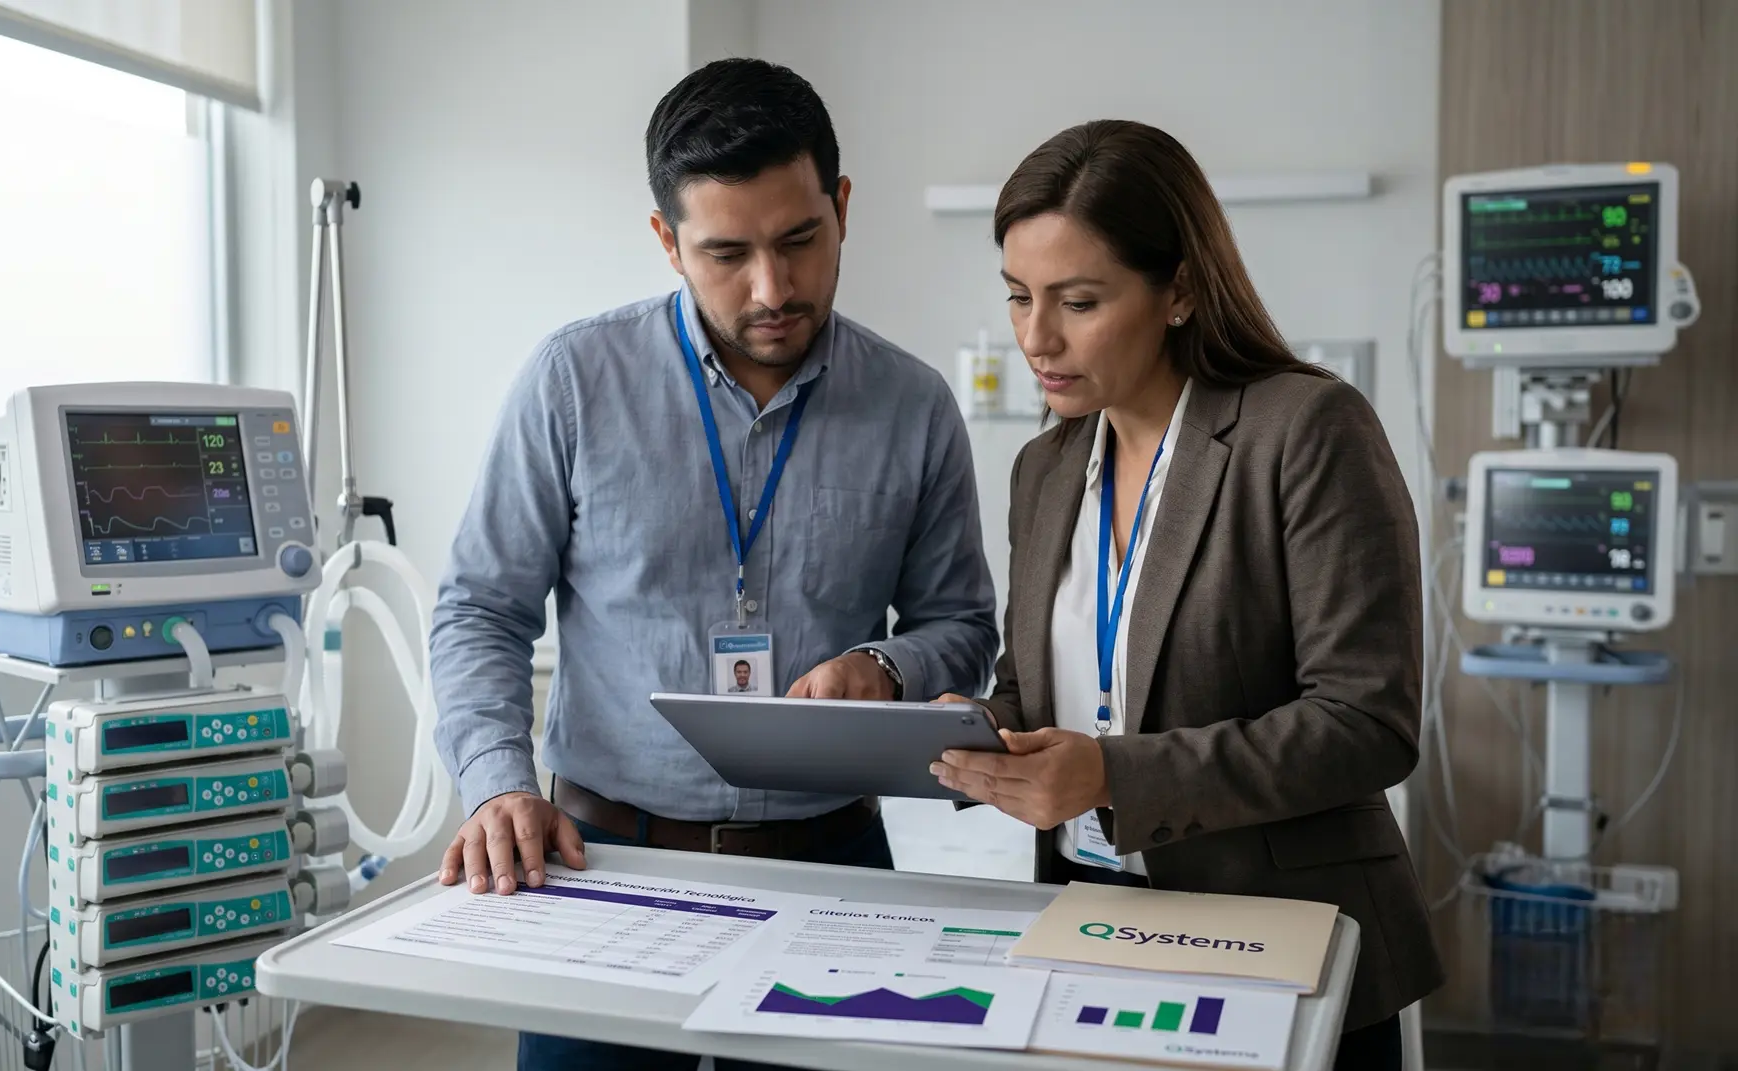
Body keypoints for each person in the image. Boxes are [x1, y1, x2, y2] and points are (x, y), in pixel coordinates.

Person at [429, 58, 999, 1071]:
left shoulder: (913, 407)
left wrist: (890, 668)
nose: (772, 289)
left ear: (844, 207)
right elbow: (481, 608)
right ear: (667, 241)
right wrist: (495, 785)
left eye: (800, 241)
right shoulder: (573, 381)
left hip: (838, 872)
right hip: (600, 862)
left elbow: (962, 623)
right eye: (727, 253)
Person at [928, 120, 1443, 1071]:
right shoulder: (1045, 467)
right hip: (1093, 929)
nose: (1036, 336)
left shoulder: (1305, 430)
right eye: (1018, 297)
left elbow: (1368, 720)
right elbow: (1035, 687)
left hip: (1281, 939)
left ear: (1180, 291)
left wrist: (1117, 774)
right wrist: (967, 728)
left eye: (1078, 301)